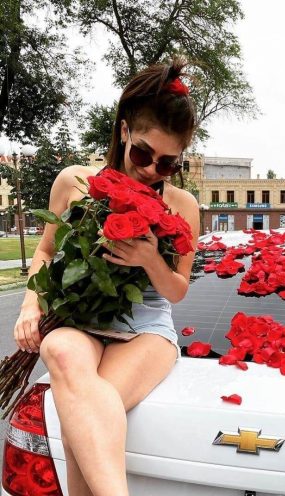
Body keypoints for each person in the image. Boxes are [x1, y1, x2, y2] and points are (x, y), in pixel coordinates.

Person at [13, 58, 200, 496]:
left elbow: (176, 290)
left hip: (145, 329)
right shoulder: (75, 182)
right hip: (80, 319)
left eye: (167, 163)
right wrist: (30, 305)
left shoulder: (183, 205)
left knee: (84, 421)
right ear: (124, 131)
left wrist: (151, 259)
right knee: (58, 348)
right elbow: (46, 250)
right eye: (143, 153)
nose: (151, 170)